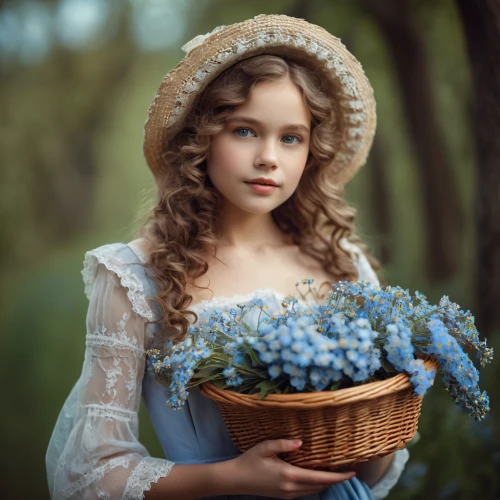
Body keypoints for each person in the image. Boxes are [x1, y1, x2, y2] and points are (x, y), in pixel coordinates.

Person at [46, 14, 410, 500]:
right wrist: (234, 476)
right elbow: (89, 471)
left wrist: (382, 413)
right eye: (244, 131)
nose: (268, 158)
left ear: (311, 151)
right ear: (202, 138)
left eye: (290, 137)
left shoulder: (342, 262)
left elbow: (373, 470)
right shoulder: (138, 277)